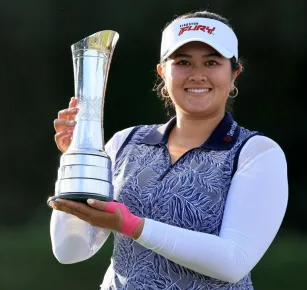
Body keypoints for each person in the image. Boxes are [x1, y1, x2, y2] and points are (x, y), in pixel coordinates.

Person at [49, 10, 288, 290]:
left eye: (211, 62)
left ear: (234, 73)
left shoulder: (256, 153)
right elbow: (70, 251)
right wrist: (73, 162)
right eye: (183, 62)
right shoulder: (126, 143)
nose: (197, 75)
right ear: (163, 72)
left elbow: (233, 262)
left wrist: (133, 226)